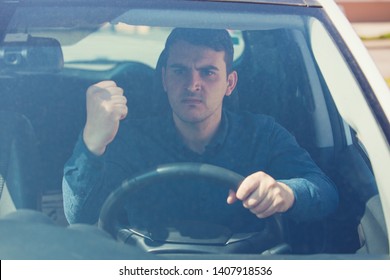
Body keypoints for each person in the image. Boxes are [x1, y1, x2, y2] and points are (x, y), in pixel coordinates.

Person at [63, 28, 338, 229]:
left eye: (208, 72)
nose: (193, 84)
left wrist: (286, 192)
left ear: (230, 83)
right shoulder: (131, 139)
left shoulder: (262, 134)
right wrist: (92, 143)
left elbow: (325, 192)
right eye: (180, 71)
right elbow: (78, 217)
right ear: (164, 79)